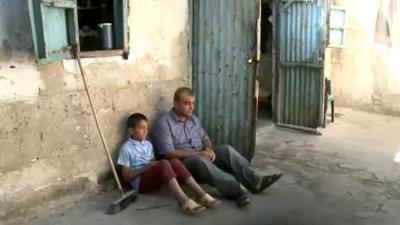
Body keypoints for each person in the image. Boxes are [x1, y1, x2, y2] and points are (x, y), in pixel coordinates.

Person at [152, 87, 283, 207]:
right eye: (187, 104)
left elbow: (206, 139)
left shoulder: (193, 120)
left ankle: (255, 181)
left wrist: (208, 149)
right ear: (175, 103)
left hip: (201, 154)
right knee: (200, 161)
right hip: (184, 165)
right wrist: (199, 154)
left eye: (193, 103)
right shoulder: (164, 124)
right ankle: (237, 190)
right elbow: (168, 153)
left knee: (226, 149)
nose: (191, 107)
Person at [117, 113, 220, 214]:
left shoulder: (148, 145)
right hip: (141, 184)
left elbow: (152, 164)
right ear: (131, 130)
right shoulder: (126, 149)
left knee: (174, 161)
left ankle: (200, 193)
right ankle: (182, 199)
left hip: (152, 179)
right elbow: (126, 177)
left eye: (146, 128)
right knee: (163, 163)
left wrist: (152, 166)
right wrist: (146, 168)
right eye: (141, 128)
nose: (145, 131)